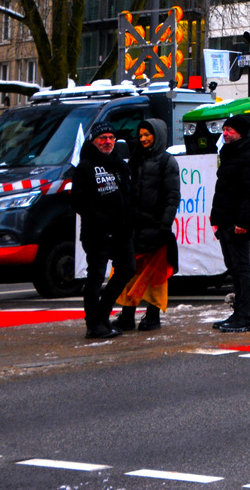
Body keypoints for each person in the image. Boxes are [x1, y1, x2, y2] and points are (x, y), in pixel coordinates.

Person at [114, 119, 179, 332]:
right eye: (141, 135)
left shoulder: (168, 162)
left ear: (157, 135)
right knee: (128, 273)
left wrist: (164, 224)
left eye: (147, 135)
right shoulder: (135, 159)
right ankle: (127, 316)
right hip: (134, 227)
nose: (143, 139)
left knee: (154, 276)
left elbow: (172, 196)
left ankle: (152, 317)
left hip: (155, 226)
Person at [73, 123, 134, 340]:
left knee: (127, 269)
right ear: (93, 141)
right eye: (102, 138)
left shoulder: (119, 164)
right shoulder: (85, 167)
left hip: (122, 231)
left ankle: (102, 314)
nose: (107, 141)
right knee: (96, 276)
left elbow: (128, 195)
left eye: (111, 137)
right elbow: (79, 202)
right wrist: (102, 220)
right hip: (97, 232)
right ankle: (94, 324)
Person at [211, 114, 250, 333]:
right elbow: (223, 190)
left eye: (229, 130)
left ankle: (247, 317)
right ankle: (238, 313)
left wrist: (244, 221)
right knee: (234, 268)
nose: (225, 133)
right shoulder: (229, 153)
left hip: (239, 222)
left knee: (243, 268)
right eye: (224, 129)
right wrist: (216, 219)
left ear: (240, 132)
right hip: (226, 220)